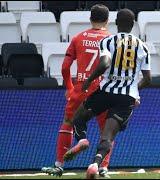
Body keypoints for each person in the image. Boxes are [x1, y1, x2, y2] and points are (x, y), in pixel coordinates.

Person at [63, 8, 151, 179]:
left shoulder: (107, 41)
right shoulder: (142, 46)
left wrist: (89, 80)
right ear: (133, 25)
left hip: (105, 92)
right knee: (108, 135)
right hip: (126, 97)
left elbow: (104, 63)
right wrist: (134, 91)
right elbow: (148, 79)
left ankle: (82, 140)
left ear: (116, 23)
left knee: (79, 118)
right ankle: (96, 165)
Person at [41, 4, 114, 177]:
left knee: (68, 122)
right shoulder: (112, 40)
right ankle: (102, 167)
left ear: (90, 19)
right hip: (103, 88)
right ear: (107, 20)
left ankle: (59, 165)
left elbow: (65, 67)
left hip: (81, 87)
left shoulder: (78, 38)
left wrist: (69, 87)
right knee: (107, 129)